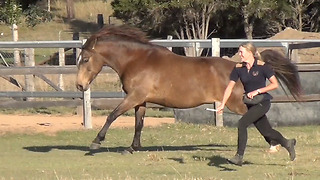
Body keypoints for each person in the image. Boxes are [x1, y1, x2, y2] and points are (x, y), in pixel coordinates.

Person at [217, 42, 297, 166]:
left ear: (250, 53)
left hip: (262, 102)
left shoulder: (262, 67)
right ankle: (287, 143)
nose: (239, 54)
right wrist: (222, 104)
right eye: (239, 52)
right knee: (267, 132)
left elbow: (274, 84)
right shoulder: (238, 68)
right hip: (251, 103)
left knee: (242, 123)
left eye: (241, 52)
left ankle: (239, 156)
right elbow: (229, 87)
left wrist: (258, 91)